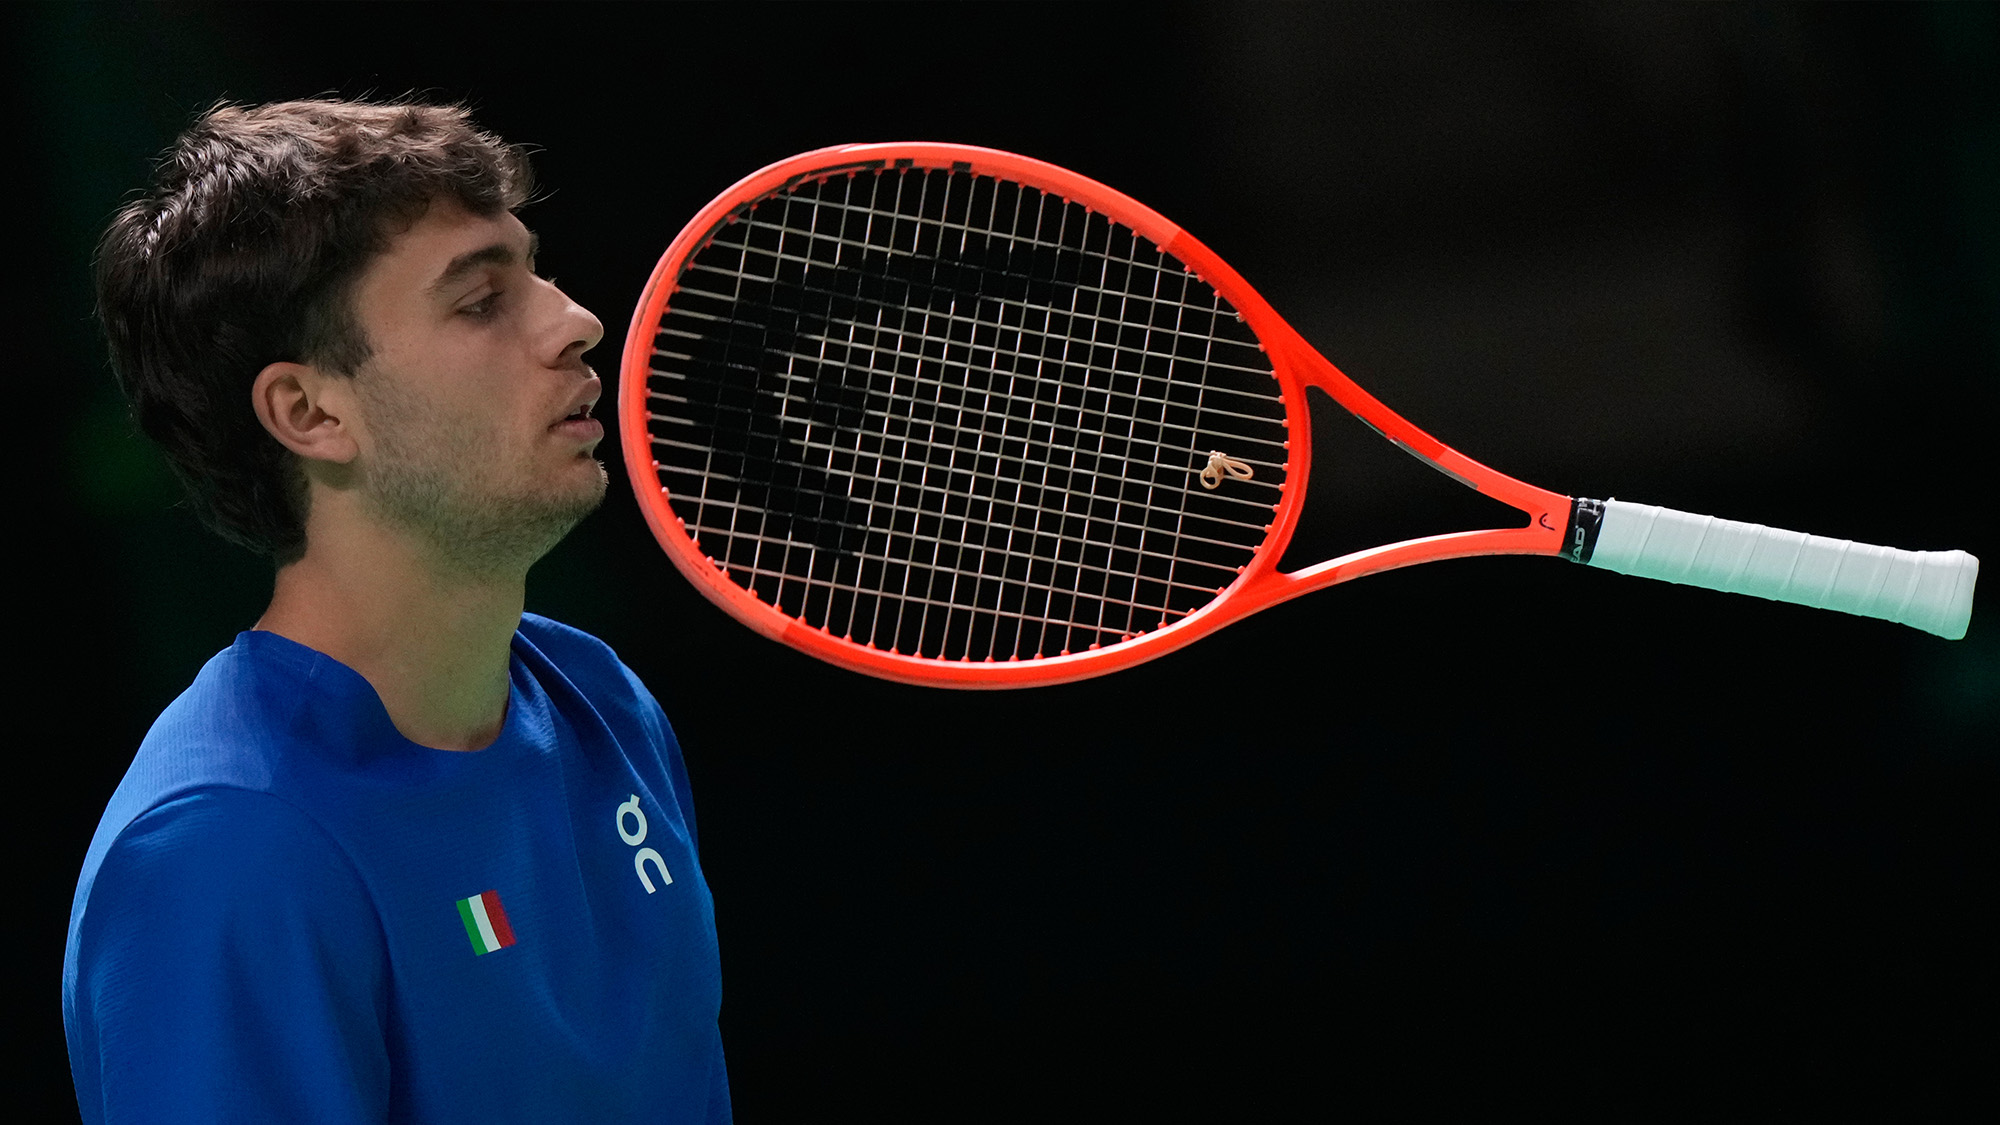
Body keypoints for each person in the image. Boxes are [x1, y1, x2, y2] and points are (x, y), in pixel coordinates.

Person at [63, 99, 729, 1124]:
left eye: (534, 271)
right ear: (312, 412)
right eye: (479, 300)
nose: (572, 321)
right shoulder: (228, 852)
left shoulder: (598, 703)